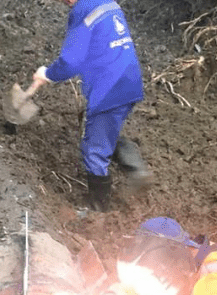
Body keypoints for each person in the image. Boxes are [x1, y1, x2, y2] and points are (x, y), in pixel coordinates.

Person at [31, 0, 149, 212]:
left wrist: (47, 74)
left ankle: (98, 210)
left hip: (108, 87)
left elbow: (71, 61)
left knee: (93, 150)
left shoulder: (82, 10)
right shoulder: (107, 3)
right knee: (105, 132)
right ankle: (136, 168)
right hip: (130, 79)